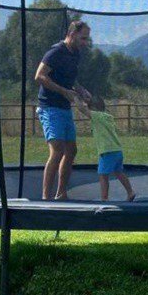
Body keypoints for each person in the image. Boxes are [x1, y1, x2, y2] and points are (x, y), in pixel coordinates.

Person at [34, 20, 91, 201]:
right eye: (83, 38)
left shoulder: (75, 54)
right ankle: (46, 198)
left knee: (71, 150)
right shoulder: (56, 52)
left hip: (64, 107)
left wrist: (81, 90)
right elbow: (39, 76)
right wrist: (63, 91)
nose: (85, 43)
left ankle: (61, 193)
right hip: (49, 107)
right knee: (57, 150)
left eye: (86, 39)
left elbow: (70, 79)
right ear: (72, 34)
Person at [74, 94, 135, 202]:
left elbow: (81, 109)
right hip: (117, 150)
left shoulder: (96, 116)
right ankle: (130, 192)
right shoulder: (108, 116)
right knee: (118, 172)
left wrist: (75, 97)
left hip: (107, 151)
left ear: (92, 107)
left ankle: (104, 198)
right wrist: (87, 99)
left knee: (103, 175)